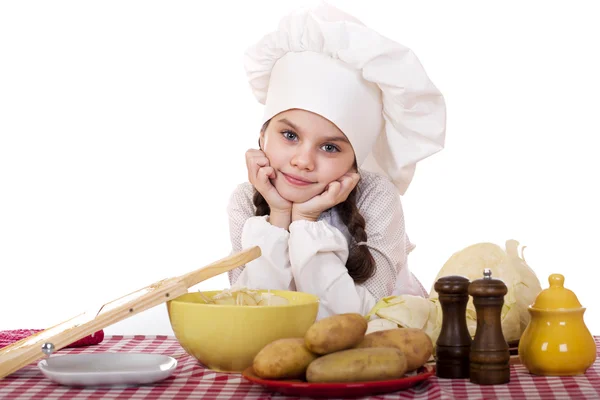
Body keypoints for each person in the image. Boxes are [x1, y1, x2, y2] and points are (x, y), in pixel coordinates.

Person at [226, 2, 446, 319]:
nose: (303, 161)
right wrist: (277, 215)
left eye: (329, 148)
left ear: (354, 162)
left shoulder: (377, 197)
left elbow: (358, 318)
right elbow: (250, 312)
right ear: (262, 136)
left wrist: (304, 221)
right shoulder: (246, 199)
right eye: (289, 136)